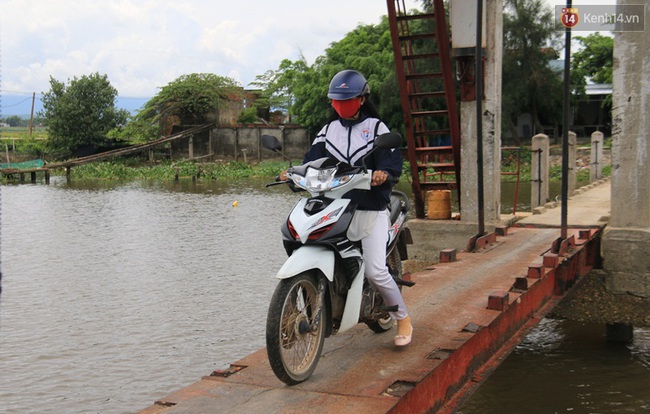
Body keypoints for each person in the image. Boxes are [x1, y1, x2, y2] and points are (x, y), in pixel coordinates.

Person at [283, 69, 413, 347]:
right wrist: (293, 172)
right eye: (336, 101)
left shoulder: (377, 128)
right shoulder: (328, 130)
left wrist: (383, 174)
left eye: (348, 99)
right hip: (335, 204)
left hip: (369, 208)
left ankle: (403, 318)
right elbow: (312, 160)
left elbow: (391, 162)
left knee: (376, 271)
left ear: (362, 99)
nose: (341, 105)